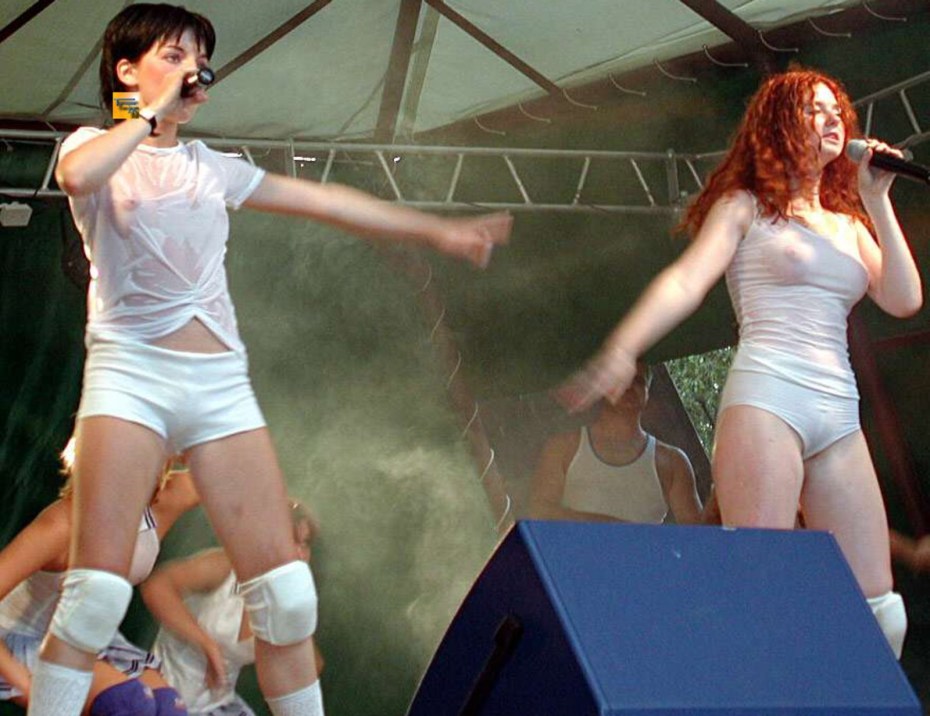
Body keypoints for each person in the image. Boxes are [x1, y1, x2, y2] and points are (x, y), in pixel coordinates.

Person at [40, 4, 510, 716]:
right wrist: (147, 114)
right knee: (94, 598)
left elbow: (328, 202)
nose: (194, 72)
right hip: (131, 379)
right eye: (174, 56)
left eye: (200, 61)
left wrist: (436, 232)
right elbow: (78, 177)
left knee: (287, 599)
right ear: (127, 71)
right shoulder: (93, 147)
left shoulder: (212, 169)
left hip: (217, 384)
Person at [559, 67, 922, 659]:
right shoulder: (745, 207)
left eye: (836, 111)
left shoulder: (850, 226)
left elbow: (904, 300)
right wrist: (623, 347)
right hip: (769, 397)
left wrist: (878, 201)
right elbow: (686, 280)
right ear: (779, 125)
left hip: (838, 409)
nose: (831, 120)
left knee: (881, 609)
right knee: (761, 580)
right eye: (813, 110)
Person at [0, 443, 198, 714]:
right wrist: (28, 687)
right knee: (128, 705)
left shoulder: (166, 502)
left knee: (168, 709)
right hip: (21, 639)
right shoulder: (63, 526)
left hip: (89, 633)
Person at [142, 501, 321, 716]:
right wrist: (206, 644)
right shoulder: (226, 566)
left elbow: (312, 665)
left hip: (215, 707)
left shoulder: (284, 604)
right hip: (158, 691)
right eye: (293, 541)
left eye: (305, 545)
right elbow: (157, 587)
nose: (300, 554)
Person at [528, 362, 703, 524]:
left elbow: (697, 534)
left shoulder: (673, 462)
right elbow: (539, 512)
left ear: (647, 393)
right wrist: (610, 526)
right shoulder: (563, 447)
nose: (629, 386)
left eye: (638, 381)